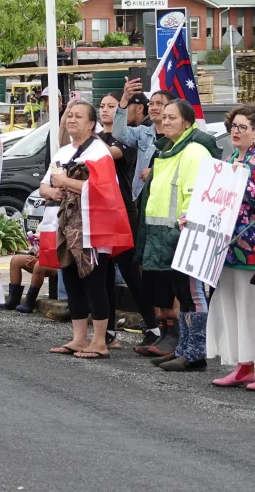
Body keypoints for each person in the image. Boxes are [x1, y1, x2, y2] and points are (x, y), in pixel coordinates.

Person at [42, 101, 129, 361]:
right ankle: (79, 337)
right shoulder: (64, 152)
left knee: (94, 282)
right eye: (70, 115)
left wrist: (65, 182)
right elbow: (44, 185)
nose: (71, 119)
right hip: (67, 226)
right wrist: (53, 190)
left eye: (78, 116)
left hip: (93, 227)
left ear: (92, 124)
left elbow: (101, 189)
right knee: (71, 280)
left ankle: (100, 340)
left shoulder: (99, 152)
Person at [137, 99, 220, 371]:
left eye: (173, 117)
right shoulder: (169, 151)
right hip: (167, 235)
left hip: (186, 234)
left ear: (187, 121)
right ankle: (183, 349)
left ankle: (195, 354)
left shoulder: (194, 151)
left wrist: (187, 227)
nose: (166, 120)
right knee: (182, 293)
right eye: (164, 116)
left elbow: (194, 194)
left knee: (193, 294)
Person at [115, 82, 180, 354]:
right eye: (151, 104)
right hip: (143, 204)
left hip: (171, 213)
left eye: (160, 104)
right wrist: (123, 102)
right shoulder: (144, 133)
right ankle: (157, 329)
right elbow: (118, 132)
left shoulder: (181, 142)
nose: (154, 108)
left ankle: (176, 334)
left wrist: (154, 172)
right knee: (148, 269)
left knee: (170, 273)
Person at [207, 105, 255, 388]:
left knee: (253, 308)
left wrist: (241, 177)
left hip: (252, 246)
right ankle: (243, 365)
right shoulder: (229, 158)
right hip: (225, 246)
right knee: (230, 306)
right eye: (233, 127)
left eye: (242, 127)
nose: (236, 132)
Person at [97, 92, 157, 349]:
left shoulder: (128, 140)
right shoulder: (96, 139)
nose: (106, 110)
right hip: (100, 212)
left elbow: (103, 156)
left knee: (131, 273)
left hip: (122, 211)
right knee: (104, 272)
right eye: (101, 106)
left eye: (112, 106)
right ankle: (108, 331)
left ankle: (153, 326)